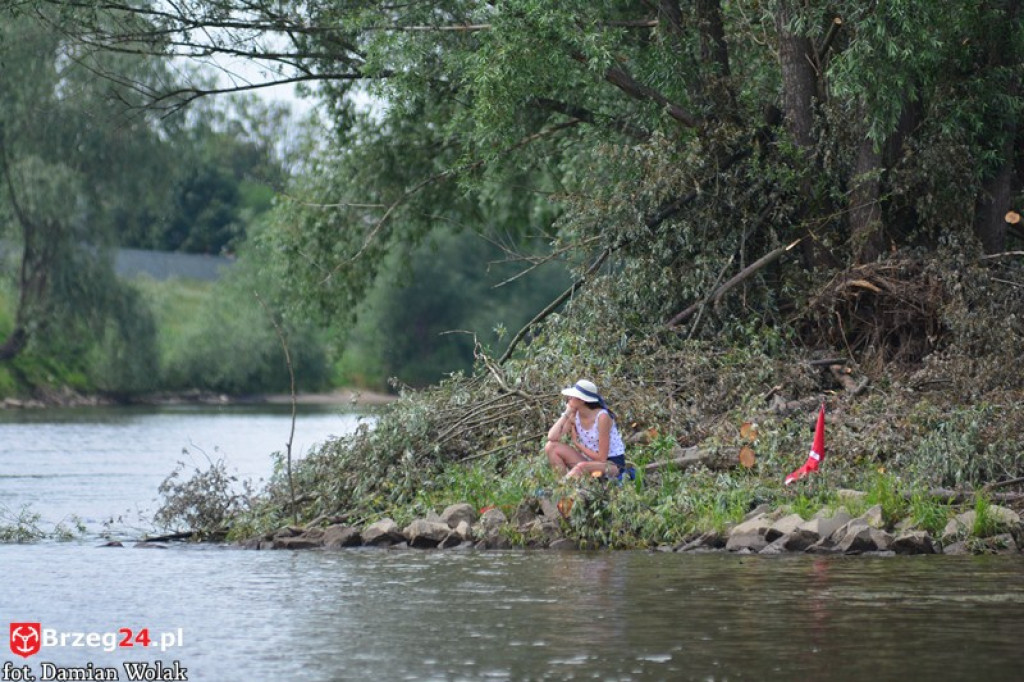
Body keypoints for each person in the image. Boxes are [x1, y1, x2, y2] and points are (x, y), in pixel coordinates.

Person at [545, 379, 627, 479]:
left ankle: (562, 488)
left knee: (581, 467)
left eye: (572, 396)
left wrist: (577, 444)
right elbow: (552, 437)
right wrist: (567, 412)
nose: (569, 398)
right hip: (590, 462)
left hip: (611, 465)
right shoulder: (574, 414)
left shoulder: (602, 417)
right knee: (551, 447)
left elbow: (602, 458)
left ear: (582, 400)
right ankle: (561, 486)